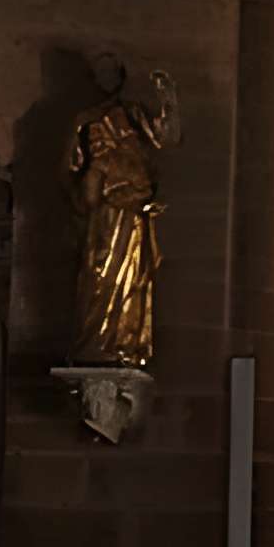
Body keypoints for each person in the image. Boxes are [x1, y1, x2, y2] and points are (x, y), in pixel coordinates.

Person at [62, 54, 180, 368]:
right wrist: (88, 187)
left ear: (121, 75)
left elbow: (168, 137)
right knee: (99, 274)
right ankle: (93, 345)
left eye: (111, 71)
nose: (106, 78)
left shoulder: (134, 114)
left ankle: (125, 345)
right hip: (104, 210)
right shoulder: (86, 120)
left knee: (133, 279)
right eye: (100, 72)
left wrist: (168, 99)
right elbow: (70, 168)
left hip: (134, 208)